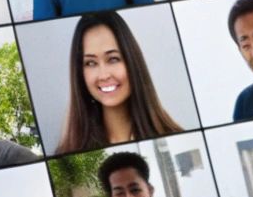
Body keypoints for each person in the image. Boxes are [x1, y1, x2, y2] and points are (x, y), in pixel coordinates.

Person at [54, 12, 186, 154]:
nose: (104, 75)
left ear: (132, 62)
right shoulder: (68, 153)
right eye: (91, 63)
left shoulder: (178, 139)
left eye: (113, 59)